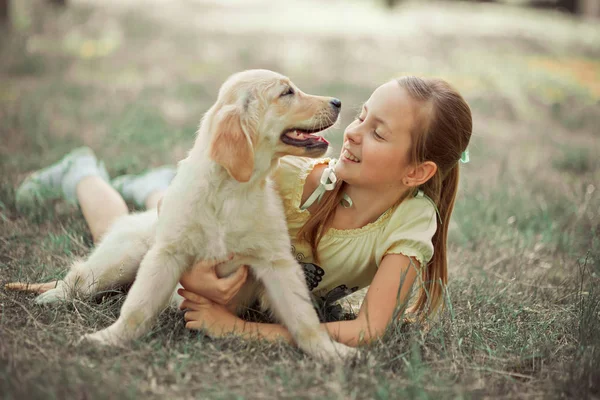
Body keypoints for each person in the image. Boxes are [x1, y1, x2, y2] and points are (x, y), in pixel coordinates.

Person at [10, 76, 472, 348]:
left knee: (148, 215)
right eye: (361, 116)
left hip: (228, 256)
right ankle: (83, 171)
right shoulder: (292, 174)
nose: (352, 132)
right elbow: (180, 219)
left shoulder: (412, 221)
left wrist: (237, 330)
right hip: (194, 232)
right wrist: (191, 278)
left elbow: (369, 329)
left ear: (417, 172)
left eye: (378, 133)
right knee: (133, 231)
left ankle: (141, 183)